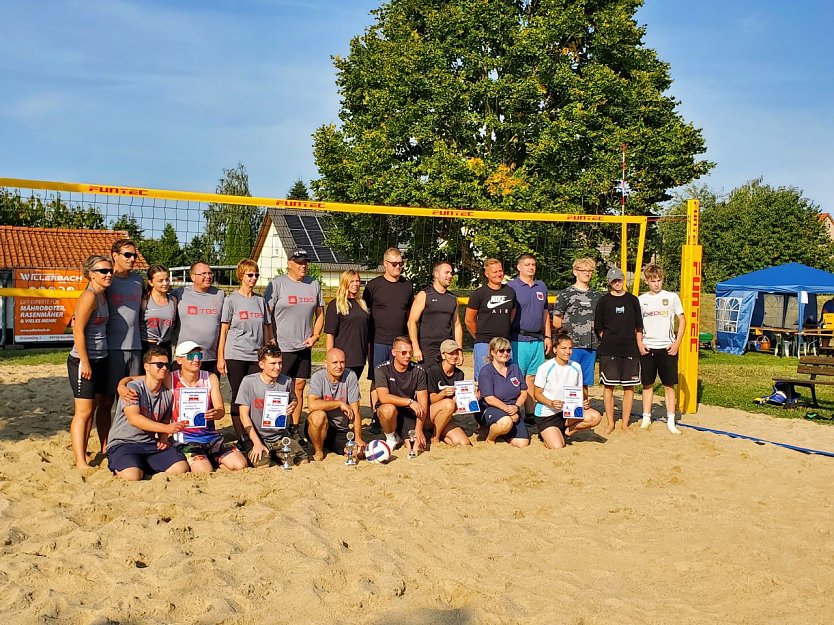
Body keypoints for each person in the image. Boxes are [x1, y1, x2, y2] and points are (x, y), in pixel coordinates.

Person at [116, 341, 248, 473]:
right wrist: (121, 385)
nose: (196, 360)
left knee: (240, 464)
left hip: (210, 436)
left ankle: (213, 458)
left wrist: (215, 413)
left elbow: (220, 411)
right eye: (191, 357)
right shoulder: (170, 378)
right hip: (185, 438)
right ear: (179, 360)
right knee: (204, 471)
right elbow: (137, 378)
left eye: (199, 355)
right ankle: (208, 460)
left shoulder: (210, 377)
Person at [264, 249, 324, 440]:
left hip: (304, 346)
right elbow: (267, 314)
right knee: (279, 387)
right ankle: (275, 426)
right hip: (282, 346)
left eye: (305, 262)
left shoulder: (313, 284)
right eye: (299, 262)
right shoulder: (277, 284)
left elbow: (320, 313)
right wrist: (270, 338)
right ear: (289, 263)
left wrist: (315, 336)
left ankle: (294, 427)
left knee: (299, 386)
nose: (303, 265)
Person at [105, 347, 190, 481]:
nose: (164, 368)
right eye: (159, 364)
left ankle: (140, 464)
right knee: (132, 476)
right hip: (124, 442)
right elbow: (134, 419)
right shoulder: (133, 388)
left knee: (181, 468)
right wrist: (167, 429)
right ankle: (128, 465)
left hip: (150, 444)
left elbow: (165, 420)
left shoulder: (167, 393)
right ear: (146, 366)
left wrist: (163, 437)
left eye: (167, 365)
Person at [97, 239, 144, 451]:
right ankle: (105, 445)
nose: (132, 259)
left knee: (131, 400)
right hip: (112, 349)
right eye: (127, 255)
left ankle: (126, 442)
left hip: (135, 348)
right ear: (114, 255)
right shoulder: (107, 279)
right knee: (106, 401)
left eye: (134, 255)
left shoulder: (138, 281)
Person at [218, 259, 272, 439]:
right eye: (250, 275)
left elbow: (266, 328)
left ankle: (256, 433)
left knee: (257, 393)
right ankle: (241, 435)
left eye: (256, 275)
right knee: (239, 395)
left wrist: (267, 352)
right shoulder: (231, 300)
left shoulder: (260, 300)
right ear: (241, 276)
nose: (254, 278)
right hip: (236, 354)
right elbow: (224, 331)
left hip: (256, 355)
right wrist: (221, 357)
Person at [68, 255, 113, 468]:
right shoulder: (89, 295)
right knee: (83, 412)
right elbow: (77, 329)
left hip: (101, 357)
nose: (108, 274)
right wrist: (85, 362)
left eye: (109, 270)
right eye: (103, 271)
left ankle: (85, 452)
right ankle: (80, 462)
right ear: (90, 274)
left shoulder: (104, 295)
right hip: (82, 360)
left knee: (95, 409)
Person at [363, 247, 414, 420]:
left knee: (399, 377)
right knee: (377, 380)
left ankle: (397, 415)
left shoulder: (407, 286)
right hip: (378, 341)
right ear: (385, 264)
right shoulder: (373, 286)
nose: (398, 267)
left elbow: (410, 316)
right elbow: (365, 314)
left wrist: (411, 340)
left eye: (401, 263)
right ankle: (376, 418)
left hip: (400, 342)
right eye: (394, 264)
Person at [236, 345, 305, 467]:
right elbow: (243, 415)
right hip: (256, 436)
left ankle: (276, 454)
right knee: (262, 465)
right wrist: (256, 443)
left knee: (302, 462)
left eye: (280, 363)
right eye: (273, 363)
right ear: (261, 365)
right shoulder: (248, 382)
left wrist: (292, 405)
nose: (278, 367)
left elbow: (294, 400)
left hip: (280, 436)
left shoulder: (287, 381)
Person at [594, 267, 644, 434]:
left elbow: (638, 326)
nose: (617, 283)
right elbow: (599, 327)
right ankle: (610, 422)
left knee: (629, 387)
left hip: (630, 348)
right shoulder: (604, 301)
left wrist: (638, 344)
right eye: (614, 280)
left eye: (619, 280)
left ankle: (625, 423)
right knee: (609, 386)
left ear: (623, 280)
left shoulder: (632, 300)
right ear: (609, 282)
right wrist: (609, 339)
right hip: (609, 349)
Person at [532, 331, 602, 449]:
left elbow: (579, 392)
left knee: (595, 417)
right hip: (547, 414)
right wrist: (551, 402)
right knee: (558, 446)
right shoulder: (545, 368)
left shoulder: (576, 367)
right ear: (555, 349)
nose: (567, 351)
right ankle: (547, 434)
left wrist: (583, 402)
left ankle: (567, 431)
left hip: (568, 412)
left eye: (570, 348)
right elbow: (536, 394)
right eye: (563, 348)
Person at [638, 265, 685, 434]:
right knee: (647, 385)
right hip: (648, 347)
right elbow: (637, 325)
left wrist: (677, 343)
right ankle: (646, 417)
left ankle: (671, 421)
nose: (656, 284)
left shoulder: (672, 297)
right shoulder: (641, 299)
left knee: (668, 385)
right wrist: (640, 342)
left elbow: (682, 320)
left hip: (667, 347)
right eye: (653, 281)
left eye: (659, 280)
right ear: (647, 281)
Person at [508, 253, 552, 414]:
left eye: (533, 264)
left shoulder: (541, 286)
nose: (531, 267)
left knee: (533, 378)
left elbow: (545, 313)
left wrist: (548, 336)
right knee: (517, 378)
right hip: (518, 339)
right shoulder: (512, 287)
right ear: (519, 267)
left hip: (538, 340)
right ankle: (514, 411)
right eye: (527, 264)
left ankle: (530, 413)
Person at [552, 257, 602, 399]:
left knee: (584, 382)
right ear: (575, 272)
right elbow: (557, 321)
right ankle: (566, 410)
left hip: (590, 344)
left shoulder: (596, 295)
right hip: (571, 345)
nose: (587, 273)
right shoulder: (566, 294)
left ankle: (582, 409)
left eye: (590, 271)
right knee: (568, 379)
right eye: (583, 270)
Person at [306, 348, 365, 461]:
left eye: (342, 362)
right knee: (318, 415)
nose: (339, 366)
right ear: (326, 363)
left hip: (340, 430)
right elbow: (312, 405)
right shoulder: (318, 377)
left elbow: (356, 410)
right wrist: (338, 403)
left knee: (357, 453)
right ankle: (318, 451)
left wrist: (358, 437)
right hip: (318, 427)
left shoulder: (350, 376)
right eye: (334, 362)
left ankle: (333, 445)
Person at [374, 336, 429, 452]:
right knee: (388, 409)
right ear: (394, 352)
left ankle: (402, 437)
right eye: (404, 352)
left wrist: (419, 430)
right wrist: (410, 402)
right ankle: (391, 438)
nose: (408, 356)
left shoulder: (419, 370)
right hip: (388, 413)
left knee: (416, 448)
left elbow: (423, 404)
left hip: (408, 414)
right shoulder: (381, 369)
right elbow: (383, 398)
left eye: (410, 352)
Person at [465, 259, 517, 381]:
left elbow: (511, 315)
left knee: (506, 377)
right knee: (484, 379)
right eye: (494, 272)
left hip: (504, 343)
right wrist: (479, 336)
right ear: (486, 274)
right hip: (484, 343)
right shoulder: (479, 293)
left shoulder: (510, 292)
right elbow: (469, 320)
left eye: (500, 271)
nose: (498, 274)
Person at [172, 261, 225, 374]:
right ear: (192, 276)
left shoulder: (220, 295)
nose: (208, 276)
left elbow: (224, 327)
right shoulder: (179, 294)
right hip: (186, 358)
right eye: (203, 274)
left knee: (209, 390)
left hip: (210, 358)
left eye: (210, 273)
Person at [476, 337, 530, 447]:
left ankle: (503, 433)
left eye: (508, 350)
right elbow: (489, 398)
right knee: (506, 422)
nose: (505, 353)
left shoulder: (514, 368)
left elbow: (524, 392)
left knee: (522, 443)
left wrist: (516, 407)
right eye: (501, 351)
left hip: (512, 408)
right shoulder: (486, 371)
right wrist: (509, 411)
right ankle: (491, 438)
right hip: (490, 408)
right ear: (492, 352)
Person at [407, 260, 463, 366]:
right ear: (436, 274)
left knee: (446, 380)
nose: (450, 276)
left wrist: (459, 350)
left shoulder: (453, 298)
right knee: (427, 379)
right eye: (446, 272)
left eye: (451, 273)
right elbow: (411, 322)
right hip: (427, 347)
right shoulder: (424, 295)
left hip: (447, 347)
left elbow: (457, 325)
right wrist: (416, 347)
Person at [423, 340, 473, 446]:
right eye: (450, 353)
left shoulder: (460, 374)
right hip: (428, 414)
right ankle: (435, 437)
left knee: (463, 442)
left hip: (445, 416)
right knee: (448, 404)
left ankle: (439, 432)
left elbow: (458, 402)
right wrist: (443, 394)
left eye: (456, 353)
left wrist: (471, 399)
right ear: (443, 355)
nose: (454, 356)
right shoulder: (433, 370)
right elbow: (430, 400)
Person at [324, 270, 370, 380]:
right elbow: (330, 334)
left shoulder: (362, 304)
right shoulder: (336, 305)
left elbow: (366, 332)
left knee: (352, 388)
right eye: (352, 281)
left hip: (359, 357)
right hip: (342, 357)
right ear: (345, 283)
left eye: (358, 281)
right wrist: (330, 357)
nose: (356, 284)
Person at [140, 264, 177, 359]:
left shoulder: (173, 300)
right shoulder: (144, 300)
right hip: (147, 346)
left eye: (167, 279)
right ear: (150, 282)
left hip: (165, 346)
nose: (165, 283)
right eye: (160, 281)